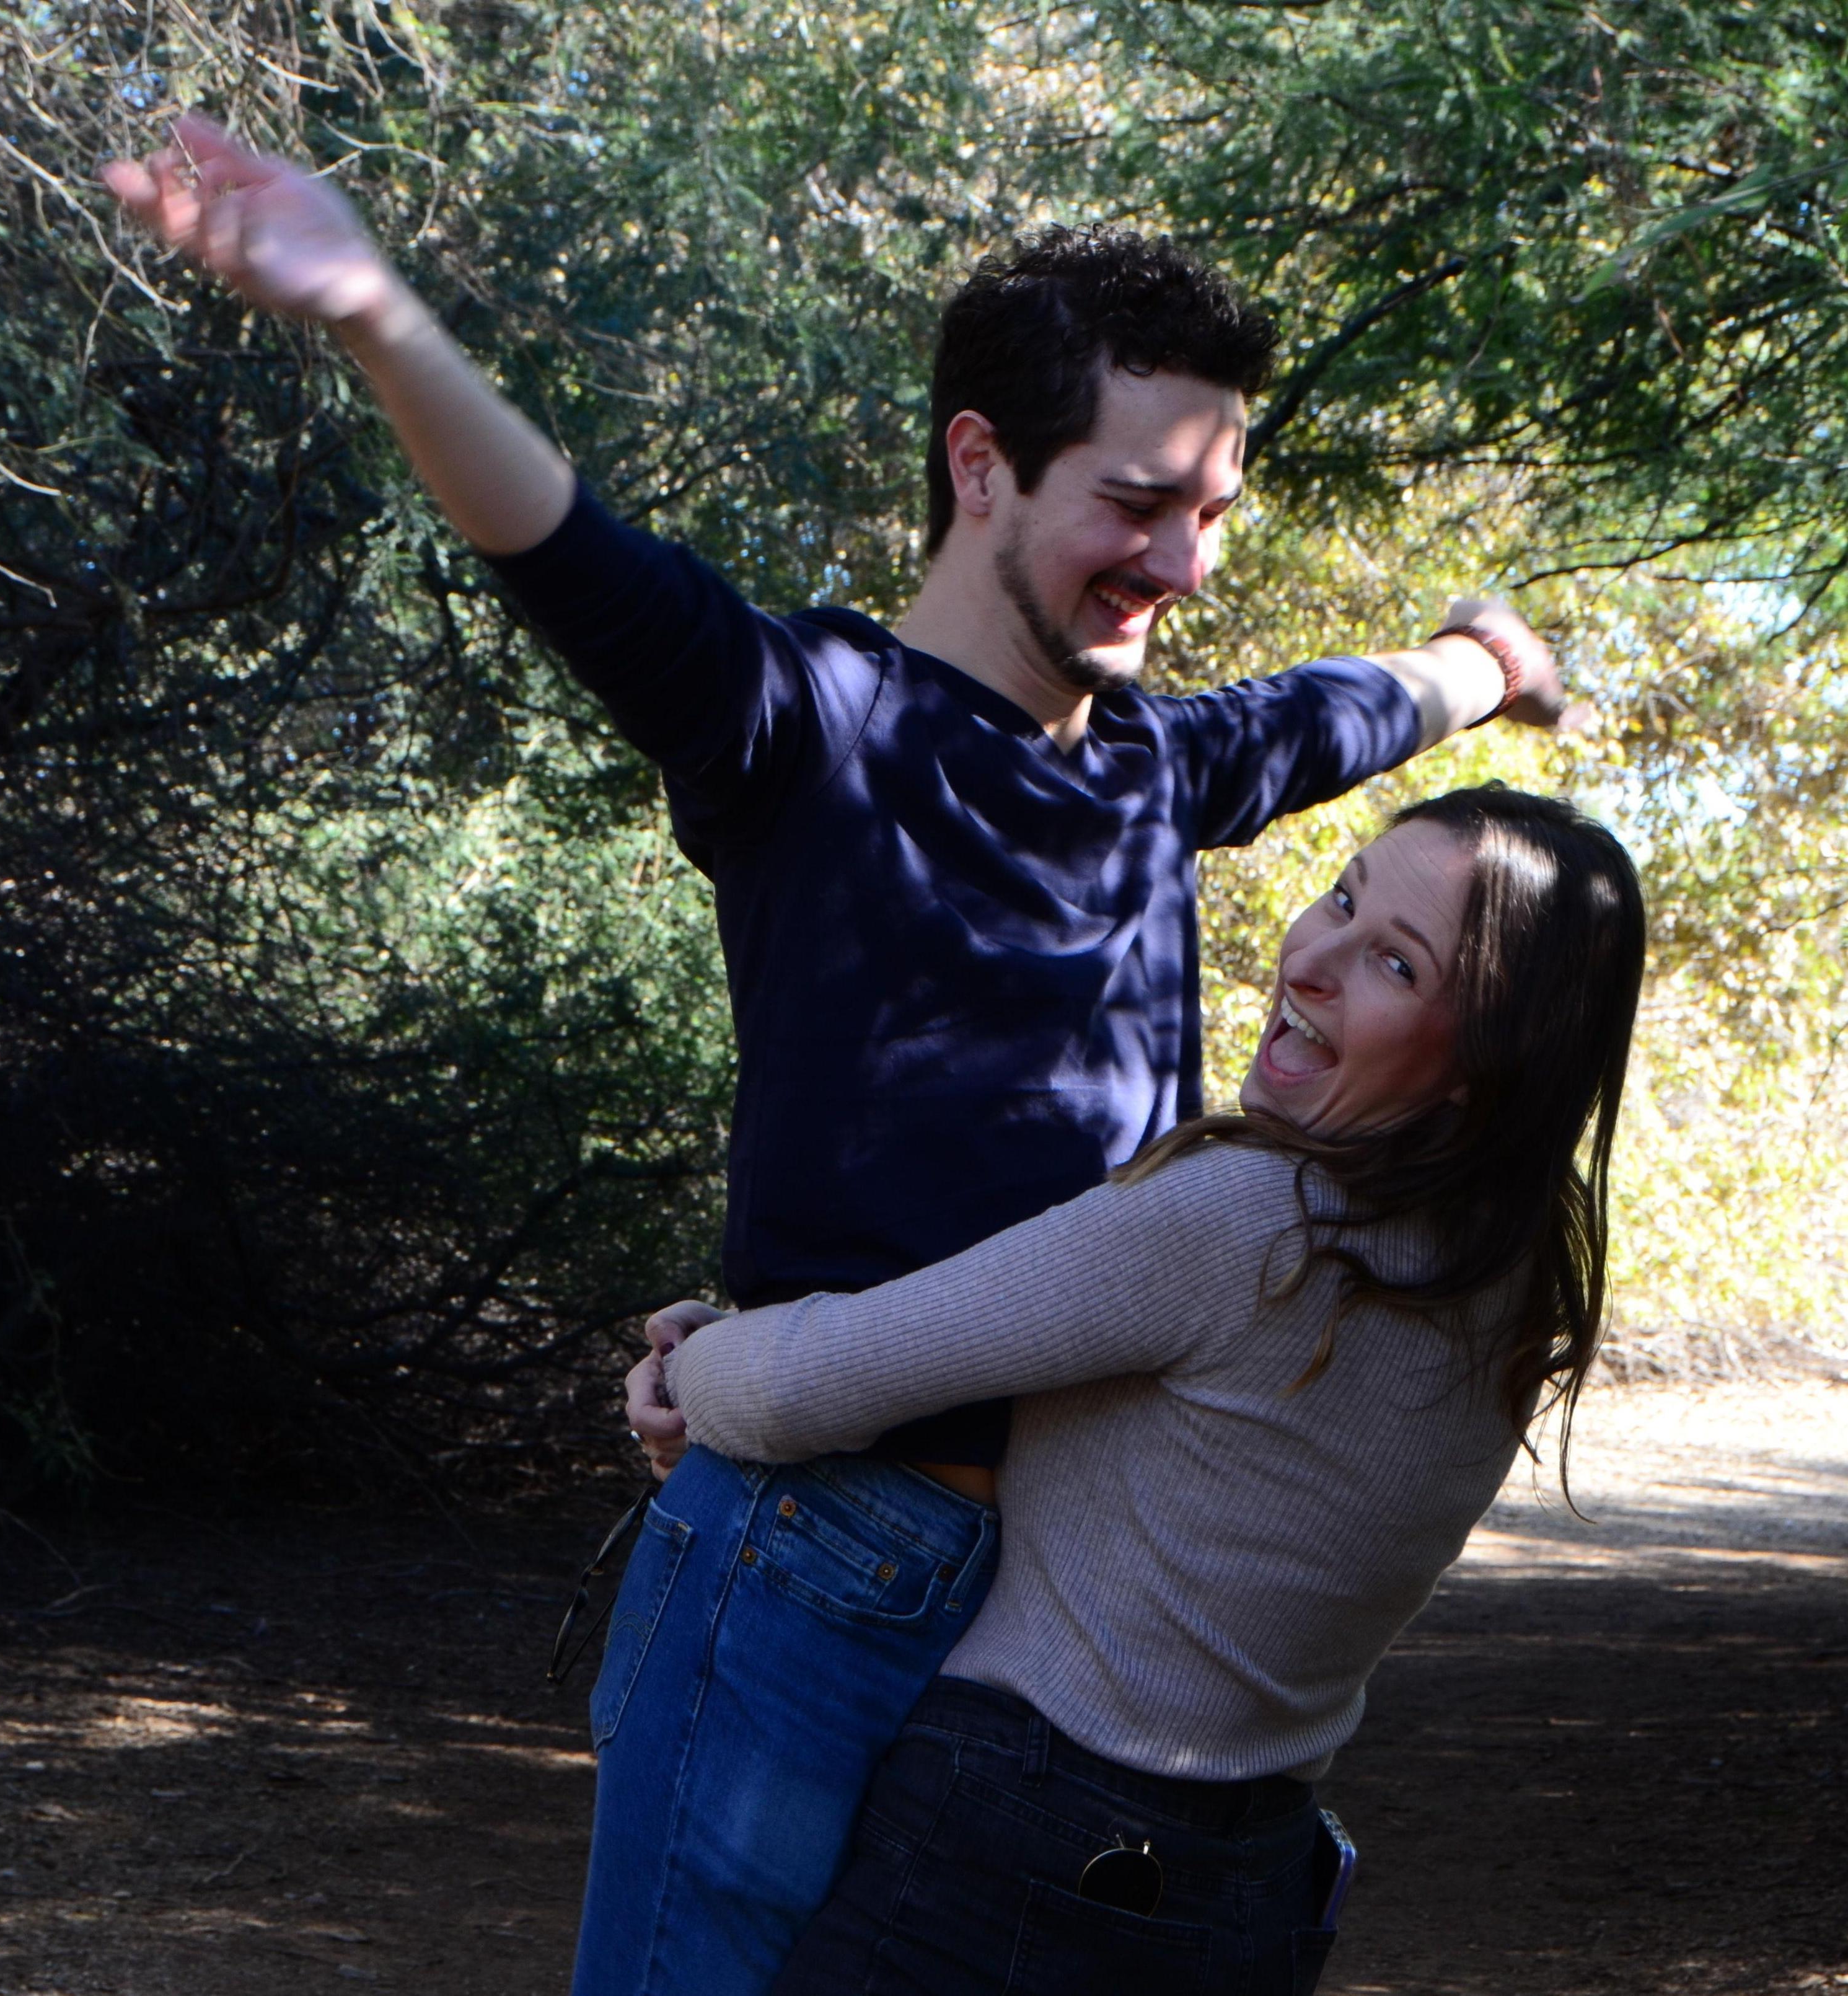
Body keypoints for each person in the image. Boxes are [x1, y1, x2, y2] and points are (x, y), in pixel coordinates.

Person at [102, 118, 1581, 1996]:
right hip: (811, 1554)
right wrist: (381, 315)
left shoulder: (1149, 766)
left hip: (1049, 1615)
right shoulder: (820, 723)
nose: (1184, 562)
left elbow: (1342, 717)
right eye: (1139, 502)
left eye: (1215, 510)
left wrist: (1481, 661)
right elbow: (582, 561)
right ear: (981, 462)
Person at [634, 784, 1645, 1995]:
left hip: (1017, 1845)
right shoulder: (1513, 1279)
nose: (1312, 957)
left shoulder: (1253, 1218)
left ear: (1487, 1064)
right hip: (1249, 1885)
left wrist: (688, 1360)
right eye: (1341, 893)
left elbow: (812, 1381)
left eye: (1392, 960)